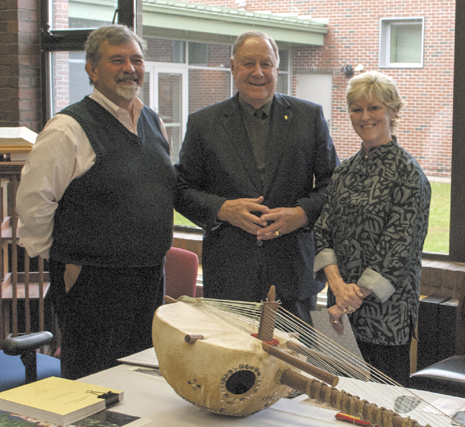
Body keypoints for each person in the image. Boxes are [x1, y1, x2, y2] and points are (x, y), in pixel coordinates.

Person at [16, 25, 175, 380]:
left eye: (136, 59)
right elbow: (33, 202)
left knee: (140, 373)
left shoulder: (152, 120)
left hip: (148, 276)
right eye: (117, 60)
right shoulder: (67, 128)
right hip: (91, 282)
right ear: (91, 69)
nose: (129, 68)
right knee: (93, 377)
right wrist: (65, 258)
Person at [174, 31, 338, 323]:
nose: (258, 72)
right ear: (233, 67)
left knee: (295, 366)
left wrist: (301, 214)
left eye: (266, 63)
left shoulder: (309, 117)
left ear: (277, 68)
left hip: (294, 278)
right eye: (249, 63)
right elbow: (182, 190)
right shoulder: (203, 123)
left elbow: (333, 185)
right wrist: (223, 209)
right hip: (230, 279)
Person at [314, 71, 431, 386]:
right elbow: (323, 233)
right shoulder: (344, 172)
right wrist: (337, 288)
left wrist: (345, 301)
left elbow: (398, 251)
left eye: (374, 108)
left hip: (386, 316)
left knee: (383, 415)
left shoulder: (409, 175)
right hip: (340, 314)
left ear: (393, 111)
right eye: (357, 109)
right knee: (340, 402)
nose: (364, 117)